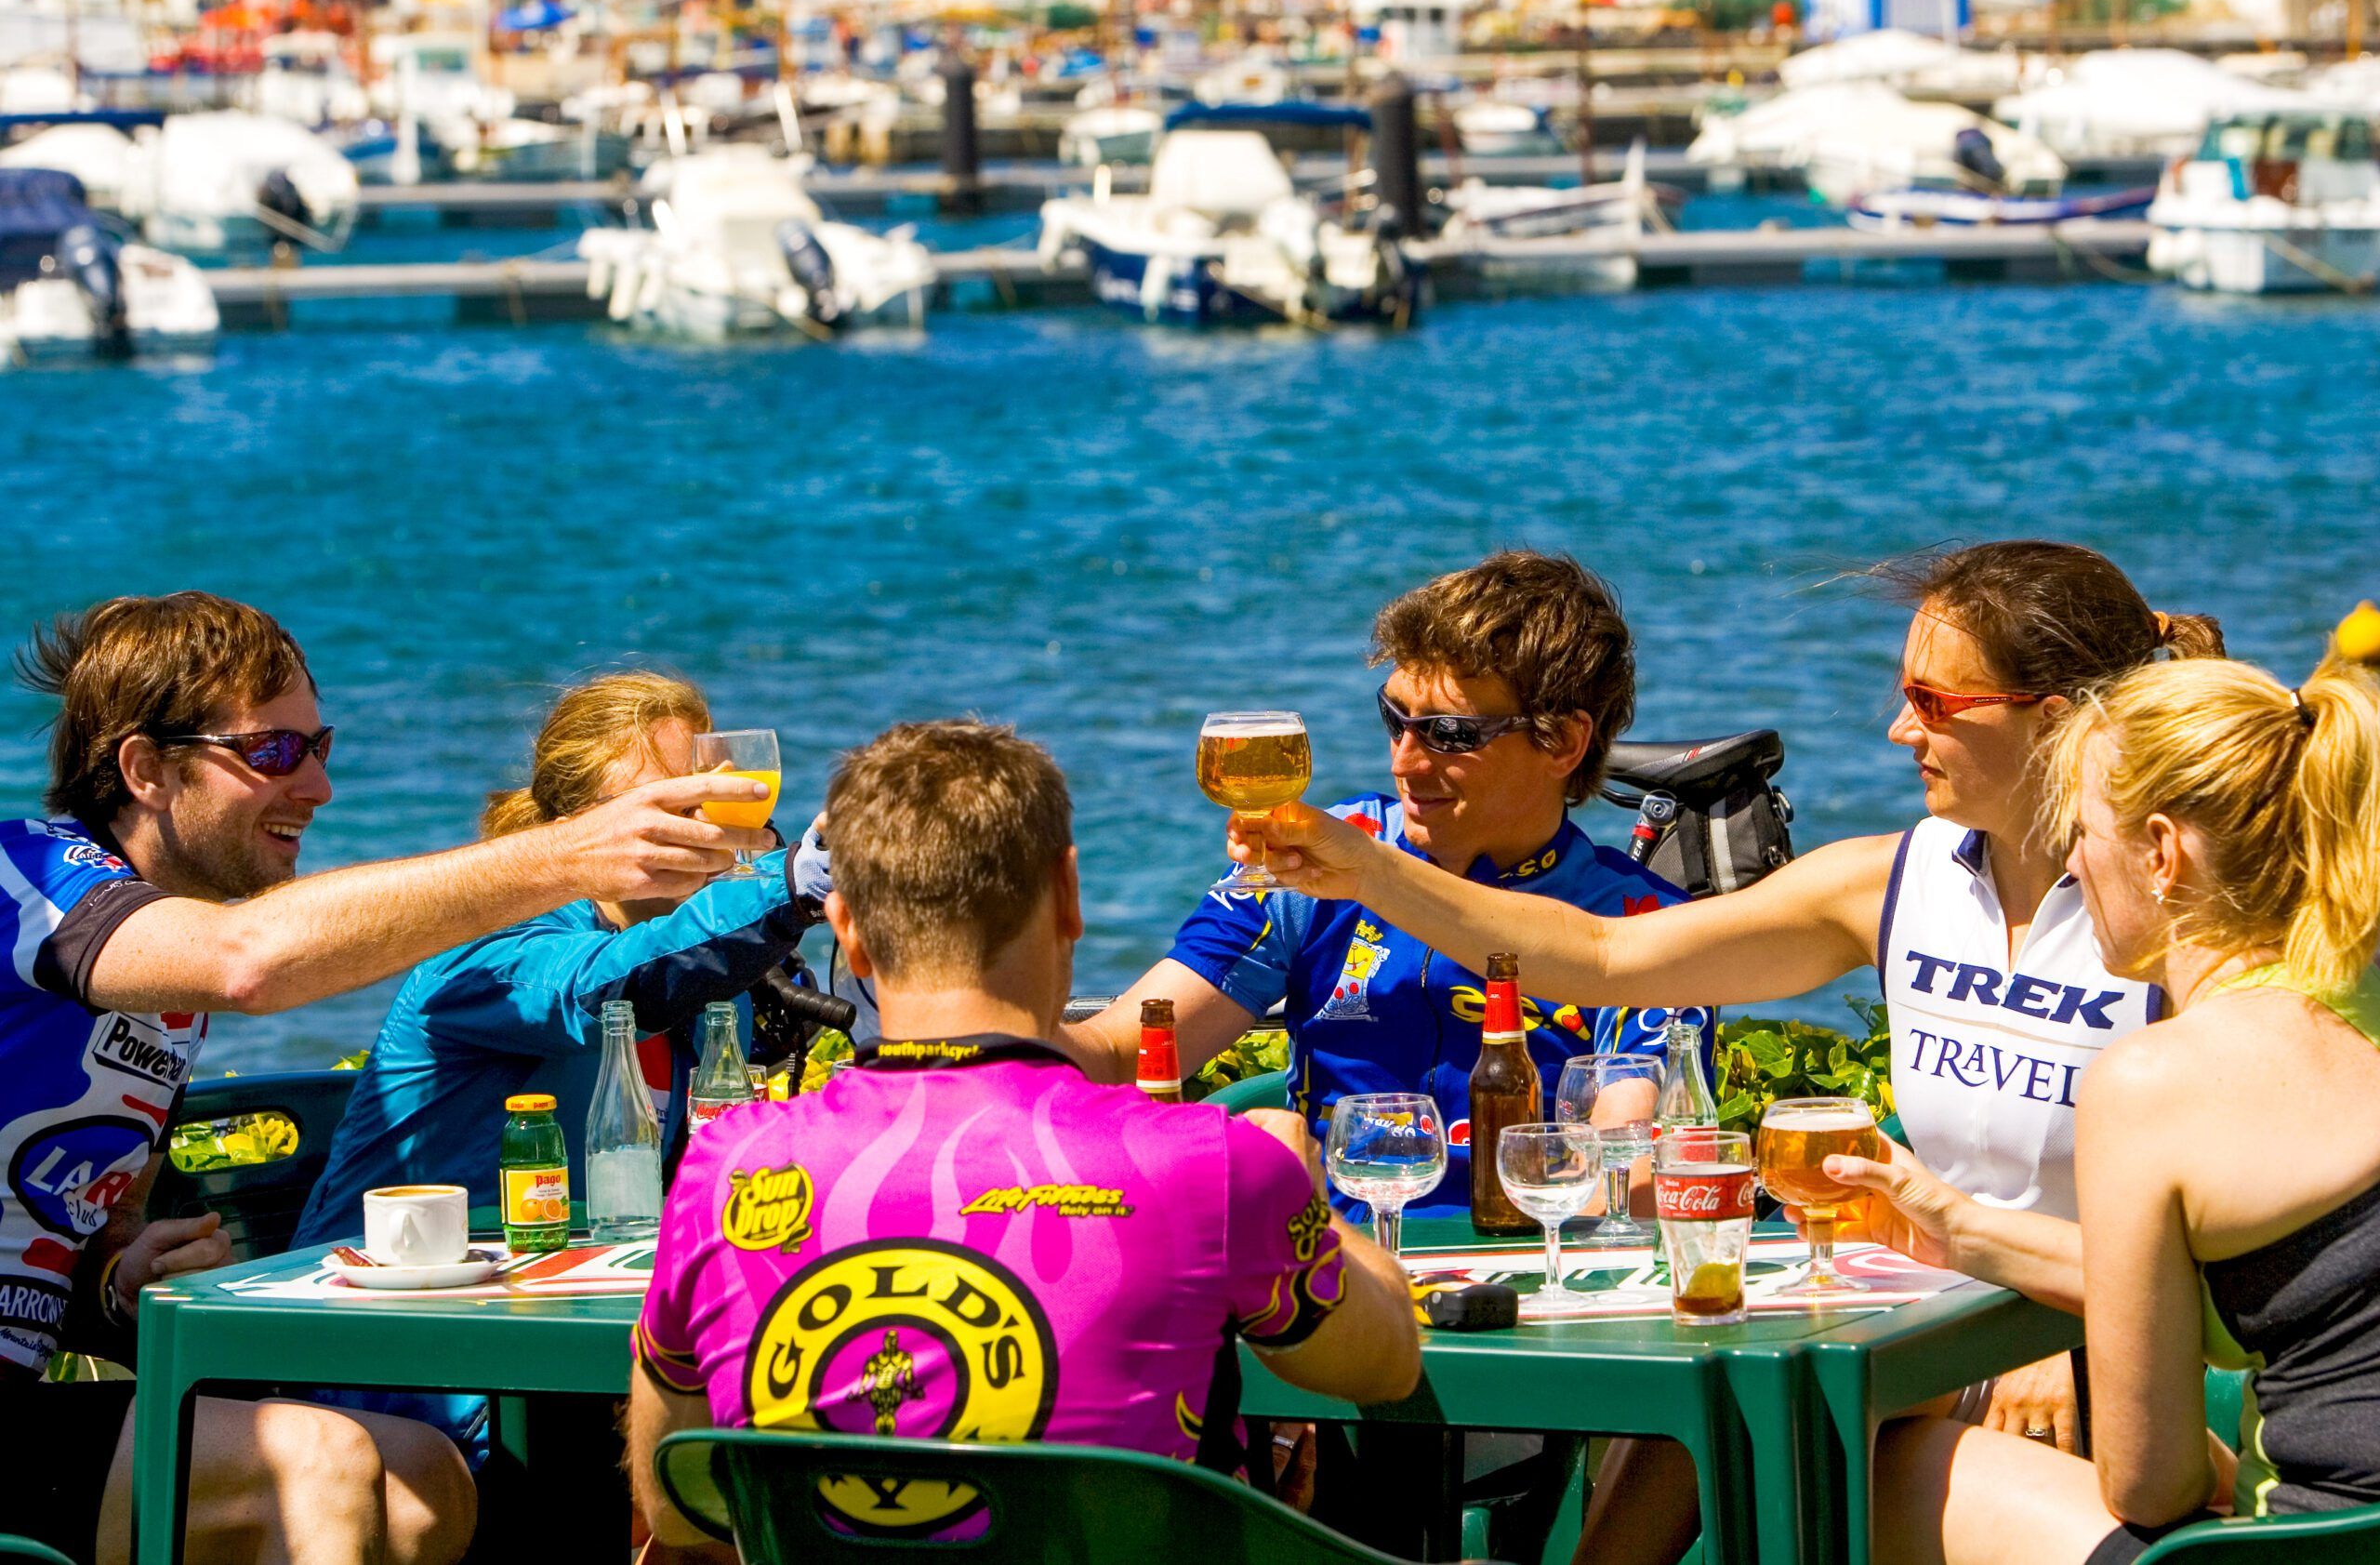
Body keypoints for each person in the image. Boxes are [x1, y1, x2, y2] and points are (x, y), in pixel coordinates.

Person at [1227, 541, 2223, 1560]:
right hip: (1930, 1331)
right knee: (1727, 1395)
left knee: (1771, 1439)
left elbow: (2241, 1224)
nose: (1897, 728)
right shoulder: (1892, 883)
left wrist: (2083, 1345)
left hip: (2104, 1348)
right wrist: (1361, 870)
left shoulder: (2177, 912)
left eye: (1933, 701)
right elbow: (1608, 956)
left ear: (2049, 720)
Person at [0, 592, 760, 1565]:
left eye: (321, 747)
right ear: (146, 769)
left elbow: (76, 1252)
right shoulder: (27, 878)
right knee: (313, 1466)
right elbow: (251, 959)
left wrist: (117, 1280)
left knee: (419, 1484)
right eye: (272, 753)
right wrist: (571, 856)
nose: (317, 788)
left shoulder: (163, 1000)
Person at [626, 720, 1421, 1548]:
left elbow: (674, 1496)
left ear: (848, 929)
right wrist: (1297, 1181)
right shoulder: (1211, 1164)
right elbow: (1387, 1360)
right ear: (1069, 897)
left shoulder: (725, 1168)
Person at [1857, 620, 2380, 1565]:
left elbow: (2150, 1483)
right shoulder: (2358, 1006)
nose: (2067, 866)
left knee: (1884, 1471)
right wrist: (1955, 1223)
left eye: (2082, 836)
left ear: (2162, 853)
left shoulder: (2153, 1082)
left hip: (2314, 1542)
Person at [1069, 550, 1709, 1217]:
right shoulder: (1315, 858)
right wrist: (974, 1039)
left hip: (1540, 1270)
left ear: (1562, 744)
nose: (1405, 760)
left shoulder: (1643, 922)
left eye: (1451, 734)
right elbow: (1120, 1050)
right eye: (1395, 718)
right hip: (1329, 1279)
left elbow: (1624, 1177)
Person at [295, 671, 825, 1250]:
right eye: (666, 803)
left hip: (548, 1288)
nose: (700, 825)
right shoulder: (495, 945)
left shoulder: (716, 980)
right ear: (570, 827)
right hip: (363, 1291)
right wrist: (790, 883)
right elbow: (613, 991)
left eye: (707, 798)